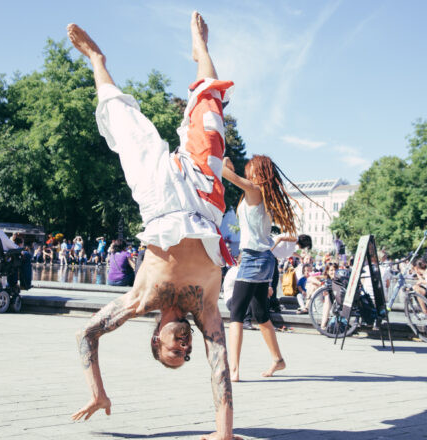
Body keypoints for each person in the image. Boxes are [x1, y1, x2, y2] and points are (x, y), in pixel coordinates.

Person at [67, 12, 241, 440]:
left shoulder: (138, 301)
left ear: (155, 342)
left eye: (172, 352)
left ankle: (96, 59)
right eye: (185, 353)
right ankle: (201, 49)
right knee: (211, 114)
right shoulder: (206, 311)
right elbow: (219, 370)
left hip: (158, 200)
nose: (183, 347)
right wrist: (224, 435)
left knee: (124, 127)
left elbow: (86, 333)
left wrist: (98, 392)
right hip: (204, 201)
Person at [222, 154, 303, 381]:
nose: (248, 174)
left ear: (259, 173)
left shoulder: (254, 190)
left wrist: (225, 158)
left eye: (251, 170)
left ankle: (234, 370)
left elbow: (224, 172)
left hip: (254, 258)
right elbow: (230, 173)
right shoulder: (259, 194)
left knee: (236, 313)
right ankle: (278, 359)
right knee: (260, 313)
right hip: (264, 259)